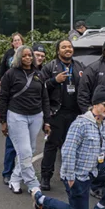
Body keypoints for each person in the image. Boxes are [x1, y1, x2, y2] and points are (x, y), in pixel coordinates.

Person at [33, 91, 105, 209]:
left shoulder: (102, 123)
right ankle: (41, 199)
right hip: (78, 175)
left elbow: (103, 149)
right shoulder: (80, 124)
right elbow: (68, 151)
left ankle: (104, 206)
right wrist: (70, 177)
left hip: (95, 169)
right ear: (95, 105)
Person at [0, 45, 51, 195]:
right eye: (25, 56)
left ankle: (15, 178)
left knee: (31, 150)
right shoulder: (10, 74)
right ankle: (32, 183)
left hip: (36, 116)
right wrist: (3, 120)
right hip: (17, 116)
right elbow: (3, 97)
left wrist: (47, 121)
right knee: (25, 151)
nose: (28, 58)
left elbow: (44, 98)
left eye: (30, 56)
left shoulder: (39, 74)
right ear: (19, 57)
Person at [40, 39, 86, 192]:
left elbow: (87, 87)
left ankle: (69, 175)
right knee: (52, 146)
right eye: (64, 47)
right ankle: (45, 177)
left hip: (76, 114)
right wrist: (55, 80)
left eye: (70, 47)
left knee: (72, 147)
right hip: (56, 112)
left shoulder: (79, 67)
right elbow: (40, 87)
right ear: (58, 50)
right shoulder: (50, 67)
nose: (68, 49)